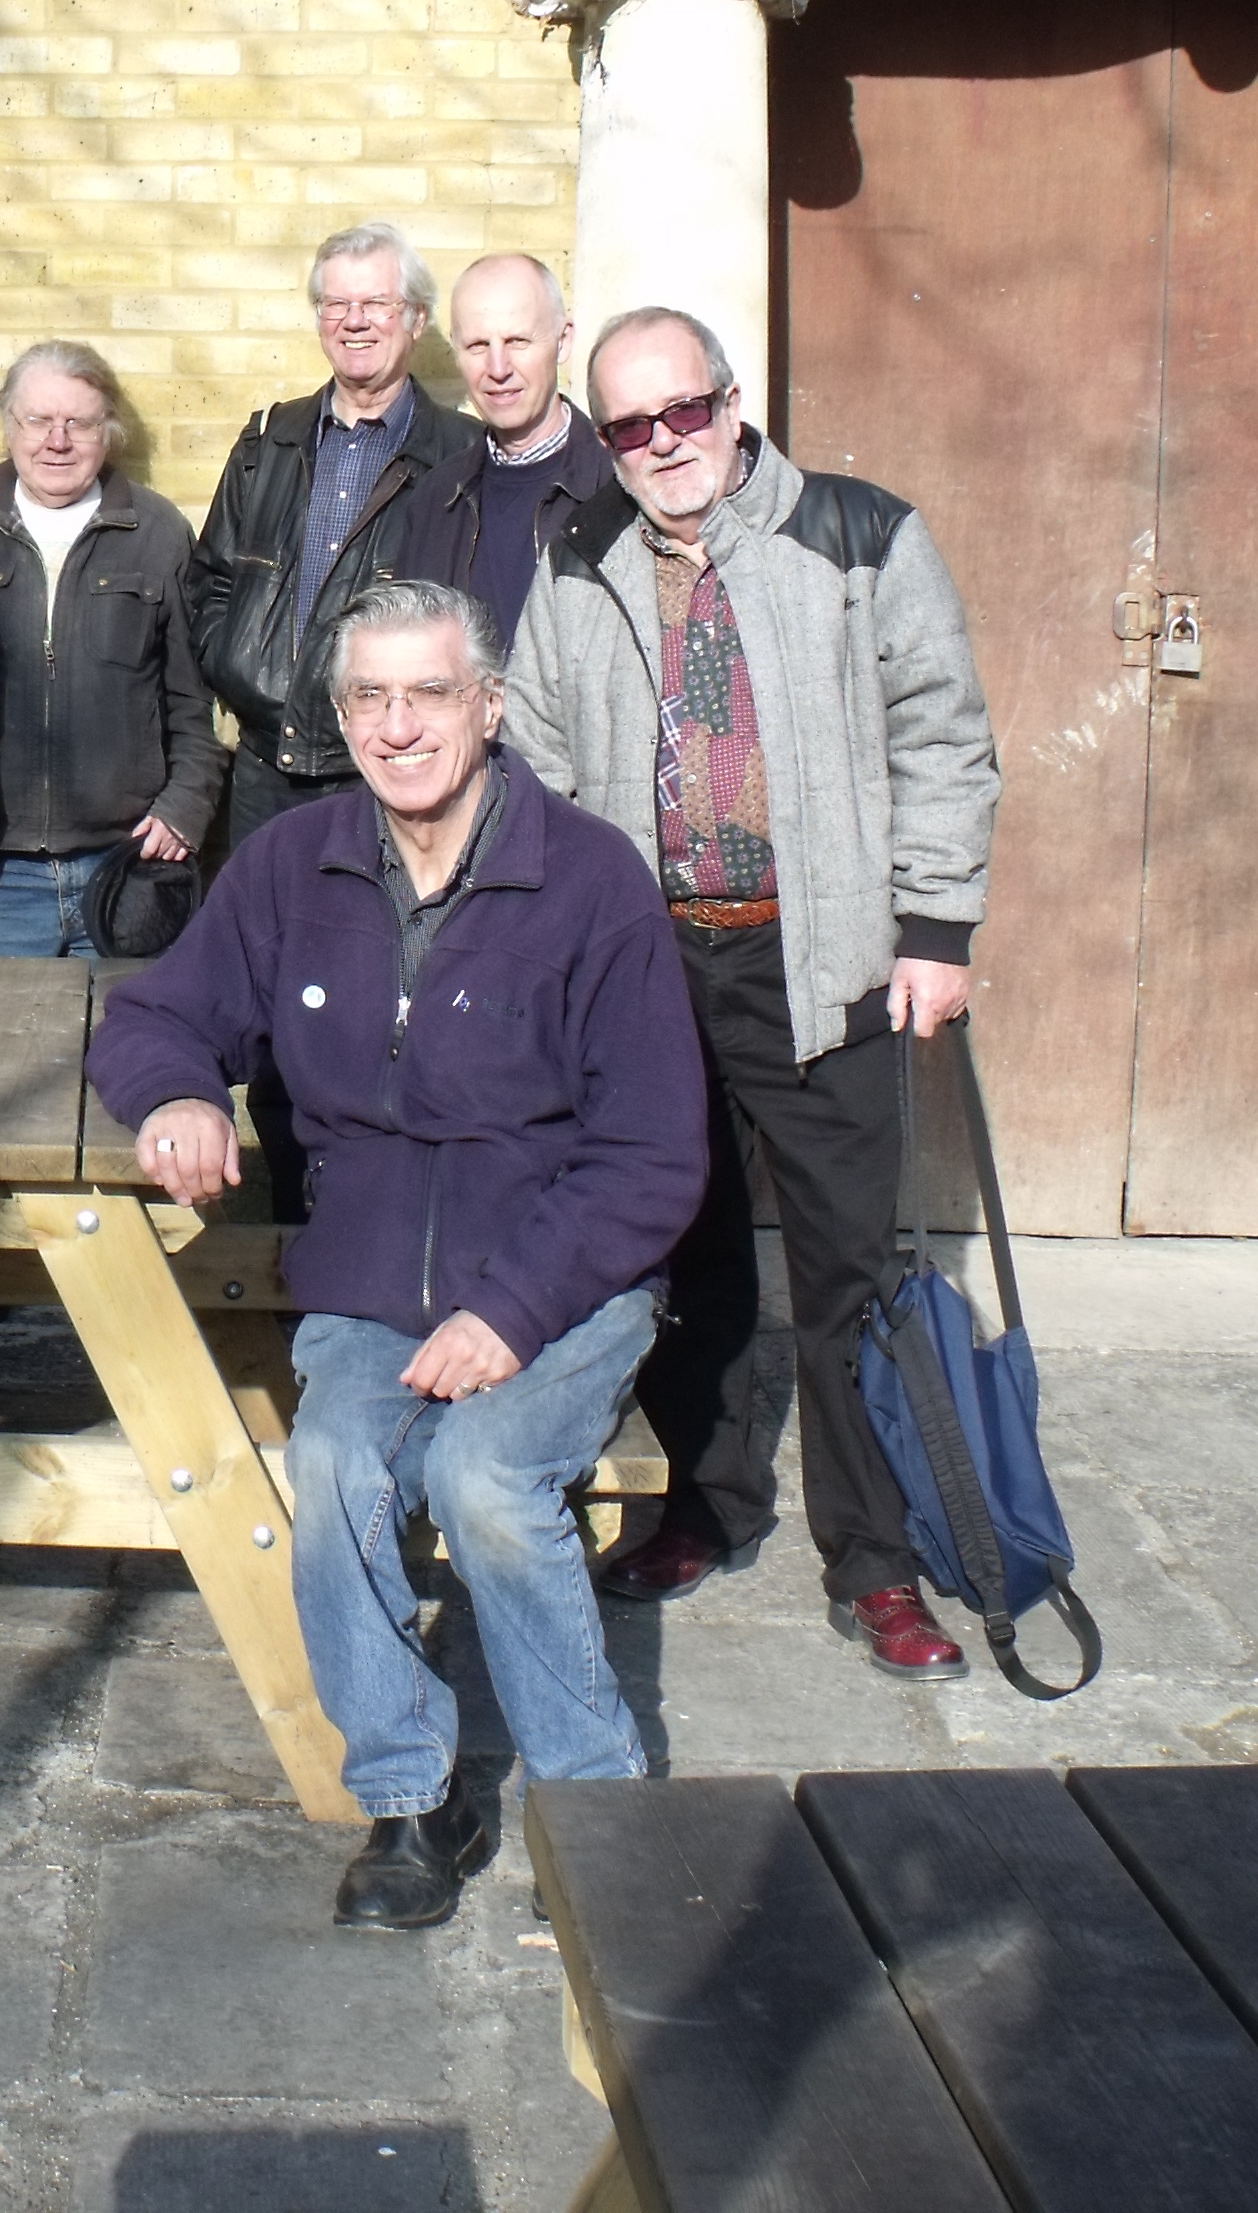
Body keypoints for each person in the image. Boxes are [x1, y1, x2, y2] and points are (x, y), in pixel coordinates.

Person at [93, 576, 704, 1929]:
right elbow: (152, 1017)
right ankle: (414, 1794)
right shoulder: (292, 864)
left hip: (562, 1267)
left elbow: (655, 1151)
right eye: (368, 696)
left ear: (489, 707)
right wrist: (182, 1095)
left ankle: (600, 1809)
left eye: (430, 693)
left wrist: (513, 1308)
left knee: (488, 1479)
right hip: (370, 1273)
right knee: (337, 1459)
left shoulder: (589, 878)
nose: (398, 724)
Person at [507, 307, 1002, 1681]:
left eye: (684, 413)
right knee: (686, 1253)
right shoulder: (579, 559)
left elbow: (945, 734)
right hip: (651, 968)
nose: (663, 446)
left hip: (822, 956)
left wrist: (934, 929)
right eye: (629, 427)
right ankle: (706, 1506)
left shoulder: (857, 537)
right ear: (605, 444)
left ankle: (877, 1563)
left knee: (849, 1273)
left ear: (731, 404)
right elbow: (537, 750)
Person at [185, 222, 486, 848]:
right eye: (336, 304)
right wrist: (235, 667)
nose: (356, 321)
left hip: (391, 773)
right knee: (265, 941)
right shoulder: (268, 440)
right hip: (264, 771)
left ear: (416, 318)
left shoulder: (461, 456)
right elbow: (211, 580)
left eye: (377, 303)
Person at [0, 341, 223, 957]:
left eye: (80, 422)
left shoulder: (157, 531)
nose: (56, 440)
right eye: (37, 420)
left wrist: (183, 810)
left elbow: (192, 704)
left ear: (108, 433)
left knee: (125, 1051)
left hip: (127, 872)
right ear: (8, 425)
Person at [433, 253, 610, 648]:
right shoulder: (434, 501)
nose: (498, 368)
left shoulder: (617, 491)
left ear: (562, 341)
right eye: (478, 345)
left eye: (517, 341)